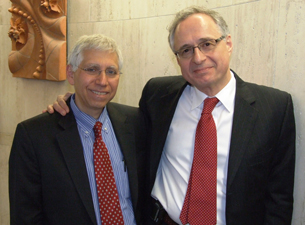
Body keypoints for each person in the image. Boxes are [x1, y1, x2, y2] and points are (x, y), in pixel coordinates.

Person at [48, 6, 296, 225]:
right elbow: (116, 124)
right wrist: (74, 105)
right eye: (186, 50)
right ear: (177, 58)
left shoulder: (274, 108)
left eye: (207, 43)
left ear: (228, 43)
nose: (198, 58)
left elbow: (279, 199)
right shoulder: (159, 95)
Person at [9, 34, 146, 225]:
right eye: (92, 69)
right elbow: (26, 216)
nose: (102, 80)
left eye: (111, 71)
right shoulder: (34, 136)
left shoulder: (136, 122)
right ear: (71, 74)